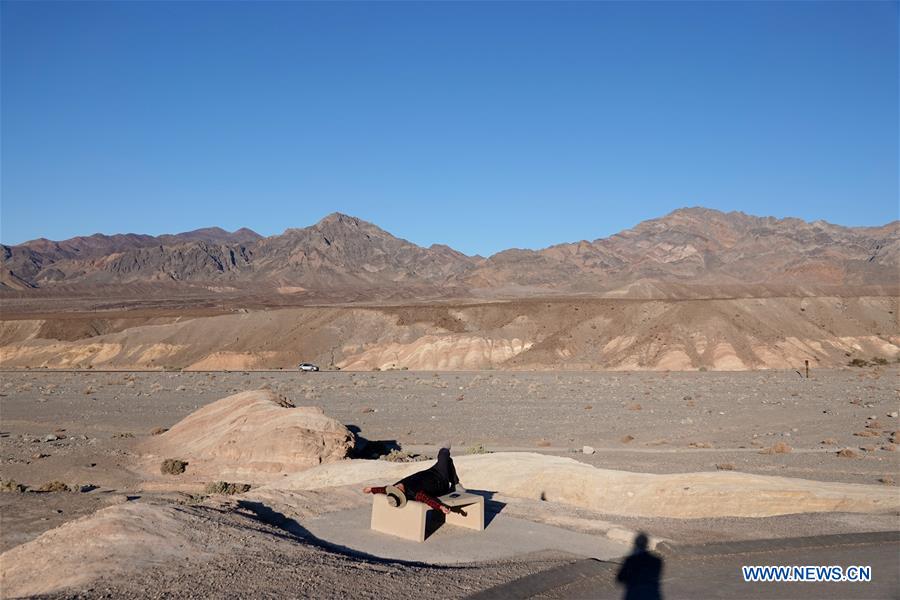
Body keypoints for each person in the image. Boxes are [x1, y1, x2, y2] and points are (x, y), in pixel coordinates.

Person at [363, 445, 460, 514]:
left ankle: (456, 483)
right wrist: (440, 507)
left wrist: (371, 489)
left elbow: (384, 489)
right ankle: (455, 482)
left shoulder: (395, 487)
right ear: (402, 493)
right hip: (441, 479)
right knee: (443, 454)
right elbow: (427, 499)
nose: (397, 486)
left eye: (395, 487)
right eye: (398, 489)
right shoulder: (415, 493)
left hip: (431, 471)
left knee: (448, 461)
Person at [616, 532, 663, 600]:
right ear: (647, 544)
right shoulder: (657, 561)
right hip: (651, 595)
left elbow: (620, 578)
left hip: (634, 595)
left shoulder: (630, 560)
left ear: (636, 544)